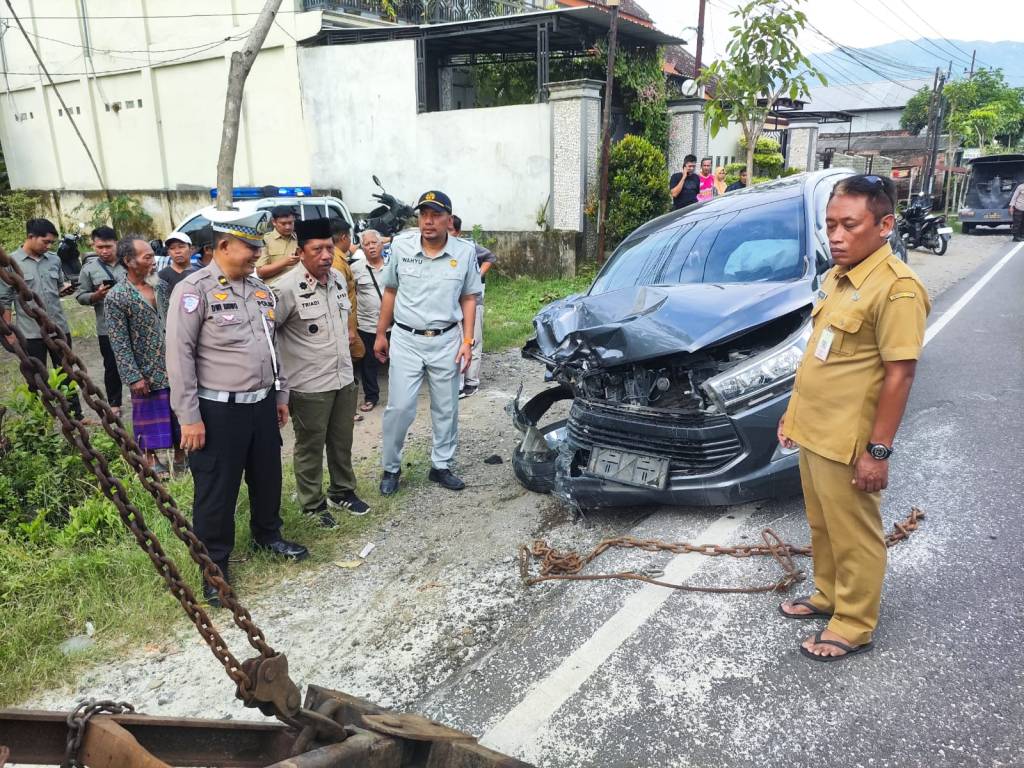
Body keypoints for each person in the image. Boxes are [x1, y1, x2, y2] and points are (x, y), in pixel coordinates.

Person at [777, 174, 930, 662]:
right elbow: (822, 359)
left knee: (855, 533)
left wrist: (877, 452)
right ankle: (829, 594)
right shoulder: (836, 279)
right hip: (814, 430)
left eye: (849, 225)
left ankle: (855, 622)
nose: (836, 237)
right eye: (830, 226)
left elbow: (899, 375)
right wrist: (790, 415)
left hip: (848, 440)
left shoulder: (897, 289)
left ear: (884, 225)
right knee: (822, 526)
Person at [166, 209, 308, 608]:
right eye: (251, 247)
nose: (257, 255)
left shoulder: (260, 291)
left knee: (267, 477)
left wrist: (281, 397)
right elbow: (180, 357)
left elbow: (273, 348)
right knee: (216, 491)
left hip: (261, 406)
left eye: (260, 247)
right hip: (217, 412)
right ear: (224, 246)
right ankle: (214, 569)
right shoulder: (194, 291)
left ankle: (269, 535)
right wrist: (189, 417)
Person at [375, 190, 482, 496]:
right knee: (399, 407)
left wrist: (467, 340)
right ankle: (391, 468)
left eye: (436, 215)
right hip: (407, 339)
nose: (428, 221)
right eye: (424, 215)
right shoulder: (401, 246)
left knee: (446, 407)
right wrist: (382, 333)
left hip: (447, 339)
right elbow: (391, 291)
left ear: (449, 219)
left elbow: (469, 297)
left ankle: (441, 465)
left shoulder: (464, 252)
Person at [274, 217, 370, 524]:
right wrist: (279, 384)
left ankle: (342, 491)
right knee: (310, 447)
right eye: (317, 249)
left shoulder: (339, 280)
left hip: (343, 376)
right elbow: (268, 336)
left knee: (342, 441)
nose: (326, 255)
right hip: (309, 383)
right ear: (301, 252)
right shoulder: (284, 289)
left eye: (329, 248)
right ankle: (312, 505)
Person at [105, 237, 186, 477]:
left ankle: (181, 456)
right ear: (129, 261)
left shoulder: (160, 286)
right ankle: (150, 458)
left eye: (152, 255)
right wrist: (133, 376)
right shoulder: (117, 296)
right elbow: (118, 342)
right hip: (144, 368)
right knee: (147, 413)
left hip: (171, 362)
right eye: (147, 256)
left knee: (178, 409)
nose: (153, 261)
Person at [0, 218, 82, 418]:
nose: (49, 246)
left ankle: (75, 415)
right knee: (36, 377)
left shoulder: (54, 260)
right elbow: (5, 299)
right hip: (31, 332)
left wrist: (64, 290)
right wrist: (8, 331)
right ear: (30, 237)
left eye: (52, 242)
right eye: (45, 242)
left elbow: (57, 287)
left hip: (58, 327)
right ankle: (42, 419)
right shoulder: (11, 263)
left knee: (66, 372)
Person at [75, 226, 125, 415]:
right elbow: (80, 296)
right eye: (99, 247)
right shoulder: (89, 269)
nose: (104, 251)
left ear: (116, 244)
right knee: (111, 366)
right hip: (107, 327)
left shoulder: (129, 262)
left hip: (134, 325)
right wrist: (96, 296)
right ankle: (114, 403)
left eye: (108, 246)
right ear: (93, 246)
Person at [448, 215, 496, 398]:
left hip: (473, 303)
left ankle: (471, 383)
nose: (447, 234)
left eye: (451, 231)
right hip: (453, 305)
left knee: (472, 341)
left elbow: (490, 257)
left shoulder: (467, 249)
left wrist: (477, 275)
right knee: (456, 342)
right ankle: (457, 384)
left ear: (458, 233)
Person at [350, 229, 387, 412]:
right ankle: (371, 397)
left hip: (393, 325)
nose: (371, 247)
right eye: (367, 244)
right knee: (368, 363)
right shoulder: (355, 269)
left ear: (382, 244)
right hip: (366, 325)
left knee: (398, 362)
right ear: (361, 248)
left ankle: (399, 397)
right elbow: (351, 295)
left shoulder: (393, 265)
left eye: (374, 243)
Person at [330, 220, 365, 385]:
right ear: (344, 237)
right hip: (344, 322)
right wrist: (349, 329)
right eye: (350, 237)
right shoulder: (336, 262)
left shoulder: (339, 258)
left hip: (347, 320)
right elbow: (340, 298)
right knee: (356, 353)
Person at [156, 231, 196, 317]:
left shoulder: (199, 274)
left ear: (191, 250)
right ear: (168, 252)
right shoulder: (161, 277)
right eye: (172, 248)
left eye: (181, 247)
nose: (177, 251)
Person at [255, 205, 299, 284]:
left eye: (290, 223)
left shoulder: (300, 238)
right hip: (276, 290)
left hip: (300, 289)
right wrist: (284, 262)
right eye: (283, 223)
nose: (288, 227)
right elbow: (260, 272)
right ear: (274, 222)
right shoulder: (265, 240)